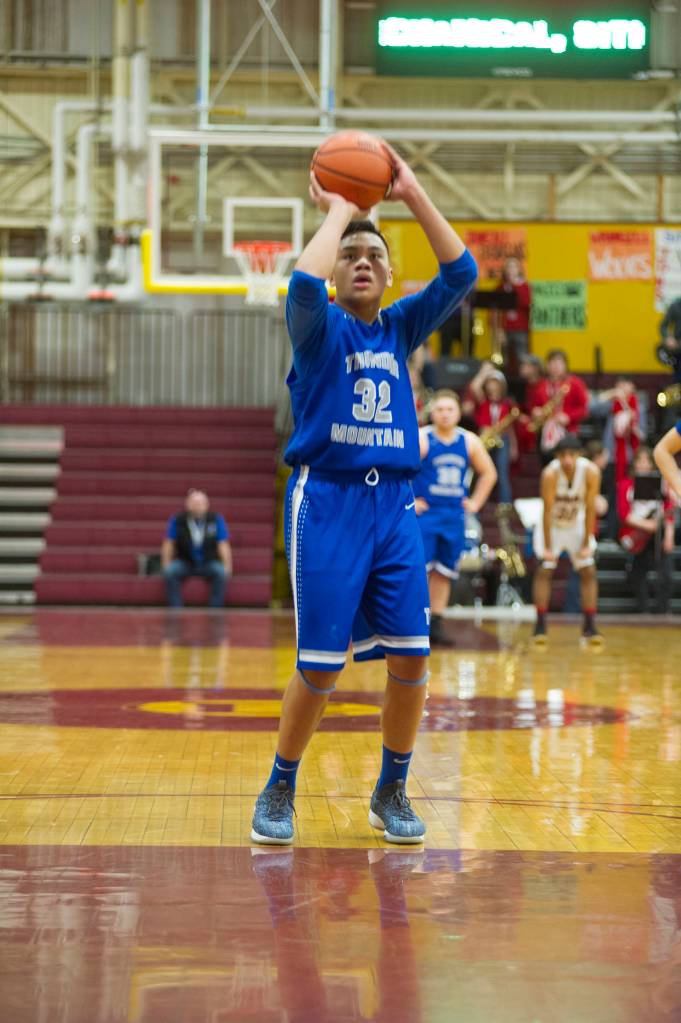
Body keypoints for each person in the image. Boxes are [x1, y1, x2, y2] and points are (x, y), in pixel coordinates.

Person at [250, 148, 478, 846]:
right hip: (328, 502)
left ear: (387, 276)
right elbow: (299, 285)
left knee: (413, 656)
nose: (359, 262)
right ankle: (280, 783)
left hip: (393, 509)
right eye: (348, 255)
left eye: (373, 258)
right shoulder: (320, 330)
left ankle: (391, 787)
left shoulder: (400, 325)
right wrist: (344, 210)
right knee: (320, 663)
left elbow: (461, 271)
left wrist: (407, 191)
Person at [413, 390, 496, 646]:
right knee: (420, 572)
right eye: (440, 409)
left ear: (459, 413)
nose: (445, 413)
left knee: (444, 573)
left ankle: (435, 624)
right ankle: (416, 624)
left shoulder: (469, 440)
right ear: (432, 413)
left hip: (453, 515)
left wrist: (475, 503)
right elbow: (398, 471)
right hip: (427, 515)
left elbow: (489, 474)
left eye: (450, 409)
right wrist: (410, 500)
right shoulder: (422, 437)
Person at [531, 435, 603, 646]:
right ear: (557, 457)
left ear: (579, 455)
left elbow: (590, 508)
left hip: (576, 524)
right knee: (545, 568)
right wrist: (547, 546)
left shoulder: (590, 472)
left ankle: (590, 625)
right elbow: (546, 511)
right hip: (552, 524)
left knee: (588, 569)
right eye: (563, 455)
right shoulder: (550, 474)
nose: (567, 460)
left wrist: (587, 540)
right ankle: (540, 624)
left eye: (571, 455)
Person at [617, 446, 674, 614]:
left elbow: (668, 508)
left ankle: (663, 610)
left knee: (666, 573)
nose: (643, 465)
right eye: (639, 461)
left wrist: (669, 535)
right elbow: (624, 514)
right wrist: (647, 525)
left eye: (646, 461)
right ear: (634, 464)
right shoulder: (626, 484)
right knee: (638, 574)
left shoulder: (661, 484)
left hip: (657, 535)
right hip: (636, 535)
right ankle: (643, 611)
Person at [161, 489, 232, 608]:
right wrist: (165, 564)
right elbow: (169, 543)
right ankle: (175, 608)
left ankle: (215, 609)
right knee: (170, 572)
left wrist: (228, 565)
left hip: (208, 561)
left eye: (200, 503)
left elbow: (223, 544)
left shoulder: (215, 519)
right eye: (194, 503)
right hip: (185, 561)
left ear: (207, 505)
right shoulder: (178, 520)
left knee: (220, 572)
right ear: (187, 504)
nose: (198, 506)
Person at [530, 349, 589, 465]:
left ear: (565, 365)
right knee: (547, 466)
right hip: (545, 432)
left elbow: (584, 409)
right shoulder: (541, 385)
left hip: (568, 432)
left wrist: (568, 416)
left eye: (559, 363)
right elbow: (533, 406)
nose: (555, 367)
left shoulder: (575, 383)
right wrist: (535, 411)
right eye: (552, 363)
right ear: (547, 366)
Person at [472, 370, 516, 505]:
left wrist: (514, 446)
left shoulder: (508, 403)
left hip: (502, 439)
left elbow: (510, 429)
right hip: (485, 440)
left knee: (502, 473)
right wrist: (486, 369)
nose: (493, 386)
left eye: (496, 383)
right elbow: (475, 387)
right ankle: (478, 502)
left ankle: (505, 504)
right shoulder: (482, 402)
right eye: (490, 382)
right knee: (480, 471)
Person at [495, 256, 531, 377]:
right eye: (508, 267)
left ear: (519, 269)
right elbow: (496, 310)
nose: (511, 270)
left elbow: (526, 303)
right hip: (504, 330)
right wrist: (498, 329)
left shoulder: (524, 286)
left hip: (520, 329)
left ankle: (523, 385)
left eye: (513, 266)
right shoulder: (500, 287)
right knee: (503, 359)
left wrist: (515, 285)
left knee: (522, 358)